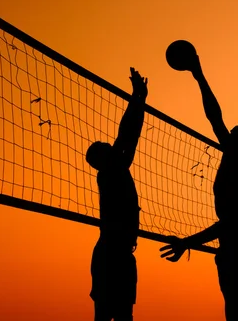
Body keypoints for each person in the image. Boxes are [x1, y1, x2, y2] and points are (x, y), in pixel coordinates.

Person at [159, 54, 238, 321]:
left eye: (237, 131)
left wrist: (188, 242)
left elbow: (228, 223)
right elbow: (215, 118)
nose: (229, 130)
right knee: (236, 313)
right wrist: (197, 75)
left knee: (237, 313)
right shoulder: (235, 160)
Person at [86, 67, 148, 321]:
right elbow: (127, 135)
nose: (110, 144)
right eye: (105, 146)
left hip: (119, 252)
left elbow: (128, 137)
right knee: (107, 314)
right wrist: (138, 97)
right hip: (111, 252)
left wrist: (139, 98)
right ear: (101, 158)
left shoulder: (116, 168)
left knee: (122, 314)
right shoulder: (112, 171)